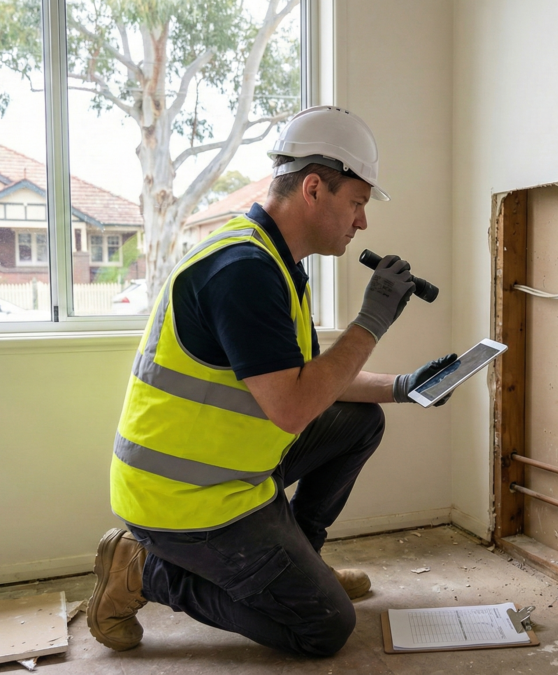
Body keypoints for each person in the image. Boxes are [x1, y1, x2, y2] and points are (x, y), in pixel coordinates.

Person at [86, 106, 456, 657]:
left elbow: (310, 379)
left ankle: (300, 557)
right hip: (183, 499)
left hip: (227, 470)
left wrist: (402, 385)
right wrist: (370, 323)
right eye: (356, 203)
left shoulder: (276, 263)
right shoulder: (244, 270)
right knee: (325, 627)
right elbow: (293, 407)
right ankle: (143, 570)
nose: (362, 222)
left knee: (358, 421)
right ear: (313, 188)